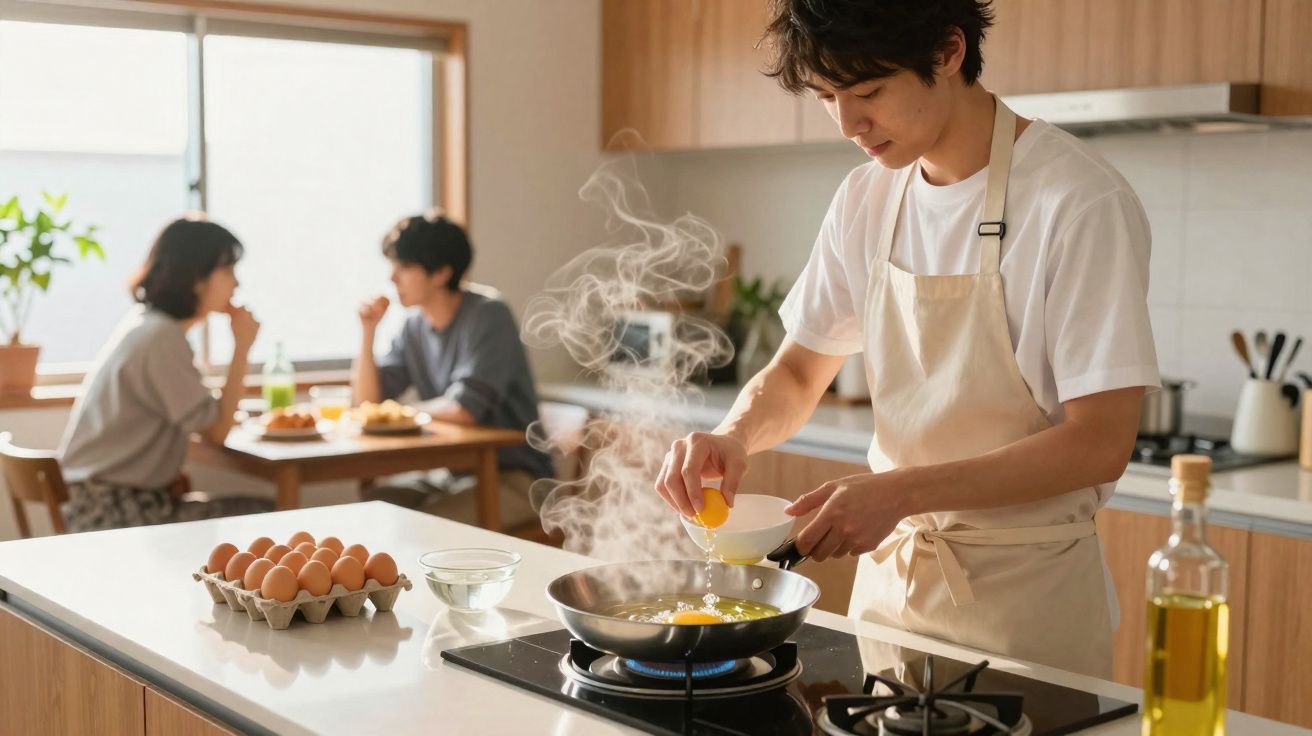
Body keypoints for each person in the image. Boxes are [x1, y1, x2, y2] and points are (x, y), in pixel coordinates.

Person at [654, 0, 1159, 678]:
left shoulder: (1077, 201)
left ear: (949, 53)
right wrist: (734, 436)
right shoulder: (867, 197)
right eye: (828, 96)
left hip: (1026, 612)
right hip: (890, 604)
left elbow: (1101, 443)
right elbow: (801, 372)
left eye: (868, 91)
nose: (848, 123)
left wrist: (899, 492)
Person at [59, 215, 273, 532]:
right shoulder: (161, 338)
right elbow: (216, 432)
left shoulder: (147, 325)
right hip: (113, 511)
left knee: (258, 515)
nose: (236, 284)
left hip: (99, 503)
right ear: (196, 278)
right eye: (228, 270)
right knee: (272, 516)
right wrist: (242, 348)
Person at [352, 211, 552, 529]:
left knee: (428, 527)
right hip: (456, 475)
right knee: (375, 507)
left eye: (404, 267)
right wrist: (368, 332)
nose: (392, 278)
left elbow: (464, 409)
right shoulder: (414, 326)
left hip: (517, 479)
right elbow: (368, 403)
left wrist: (400, 412)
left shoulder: (489, 315)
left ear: (441, 273)